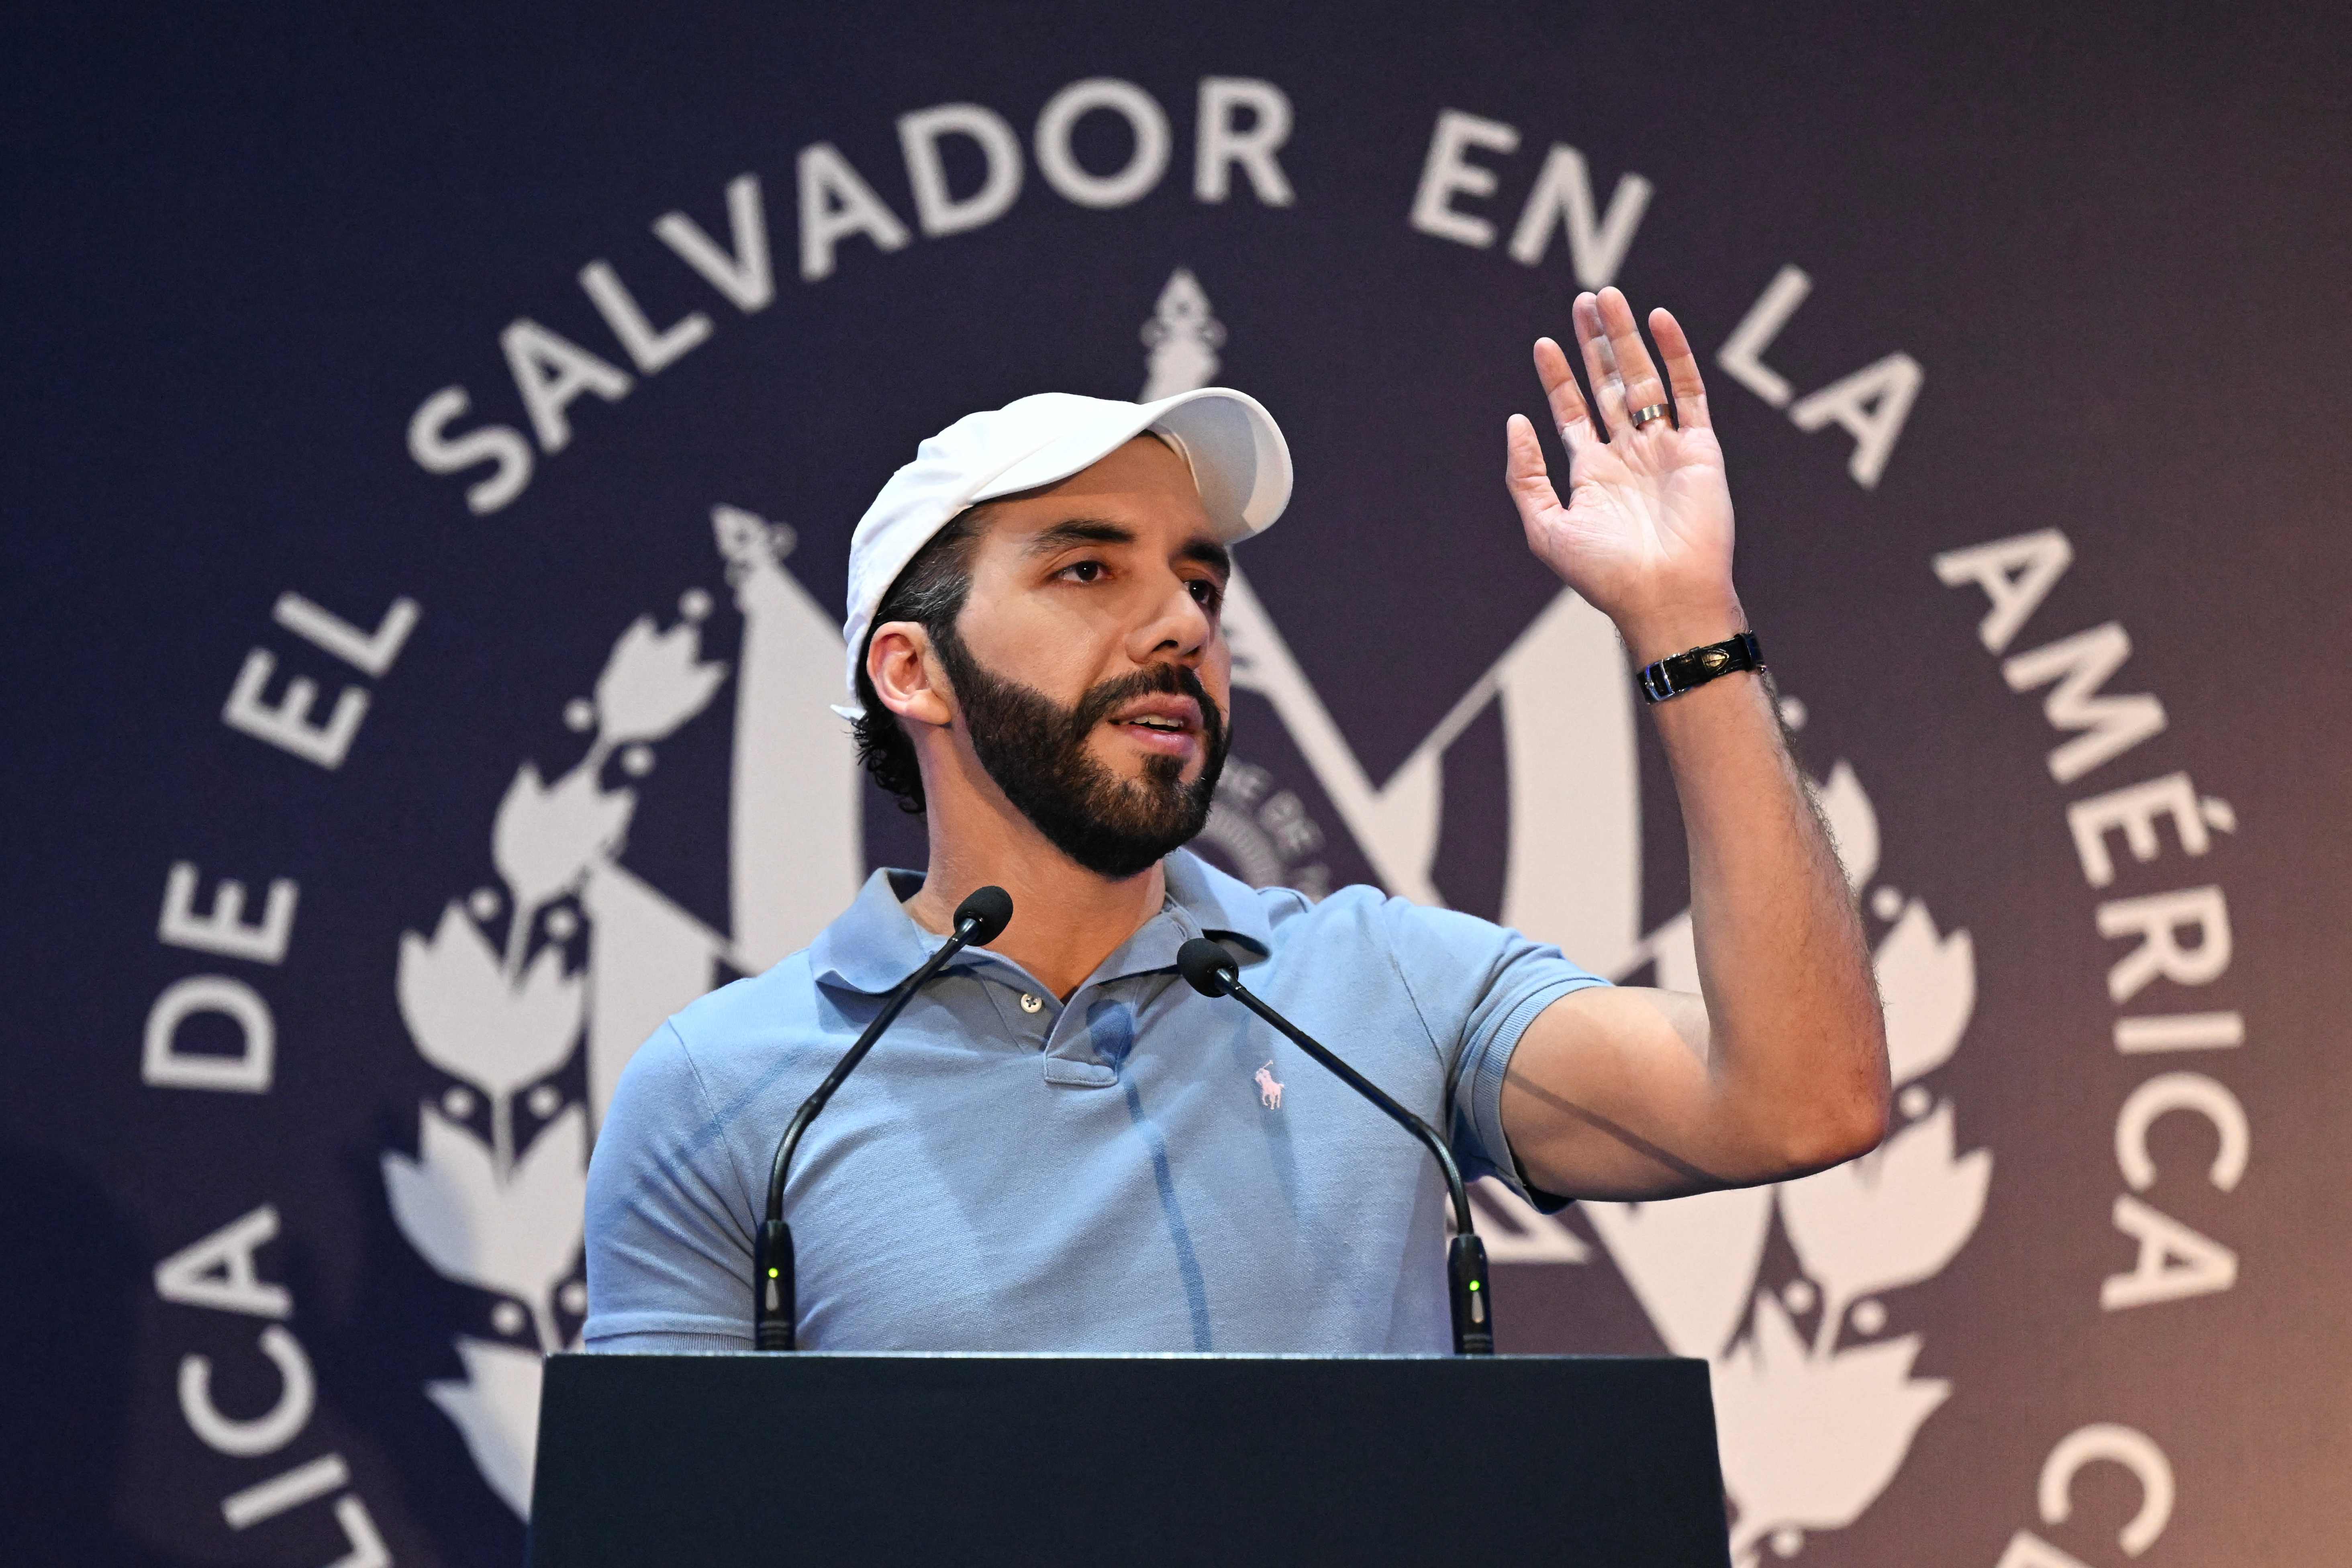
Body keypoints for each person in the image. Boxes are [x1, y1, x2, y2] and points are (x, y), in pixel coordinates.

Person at [582, 288, 1889, 1354]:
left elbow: (1796, 1104)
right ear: (911, 672)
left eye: (1198, 580)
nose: (1184, 626)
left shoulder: (1382, 990)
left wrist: (1684, 620)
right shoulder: (729, 1091)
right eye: (1088, 569)